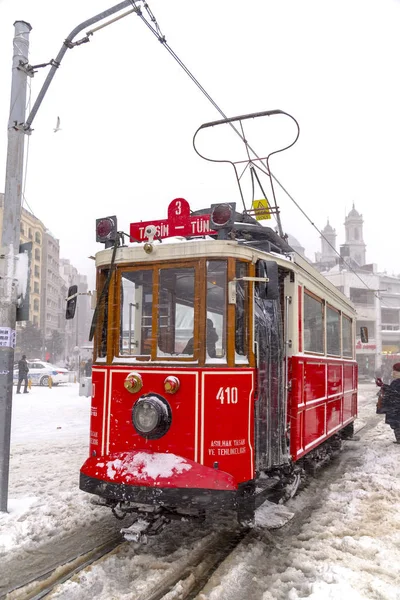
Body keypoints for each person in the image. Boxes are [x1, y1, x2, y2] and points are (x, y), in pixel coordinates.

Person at [376, 362, 400, 443]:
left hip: (396, 408)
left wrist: (383, 386)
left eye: (395, 371)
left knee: (396, 423)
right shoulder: (396, 382)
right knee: (396, 423)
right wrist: (383, 385)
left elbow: (394, 392)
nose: (393, 372)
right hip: (396, 407)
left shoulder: (397, 382)